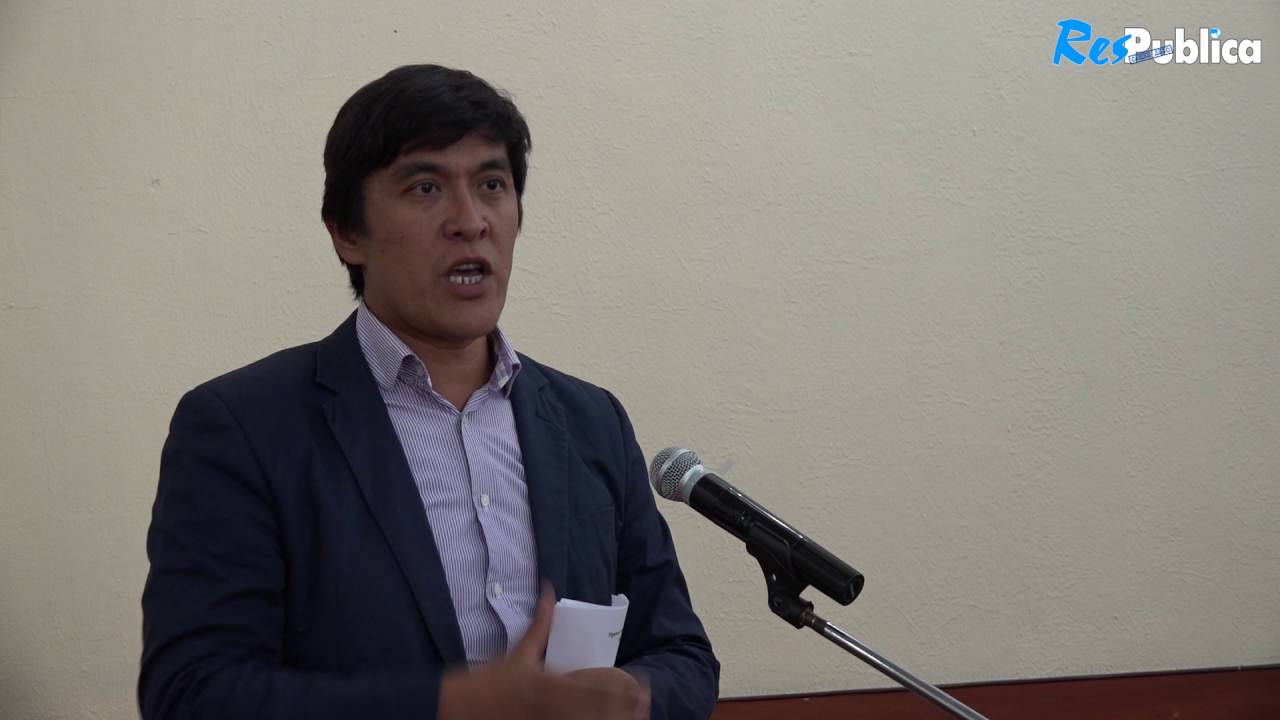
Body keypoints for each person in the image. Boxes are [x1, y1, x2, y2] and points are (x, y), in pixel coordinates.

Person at [139, 64, 719, 720]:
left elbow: (681, 653)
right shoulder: (243, 428)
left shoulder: (591, 421)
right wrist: (451, 704)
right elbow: (194, 693)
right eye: (425, 187)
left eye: (492, 184)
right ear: (347, 232)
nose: (470, 222)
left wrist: (634, 697)